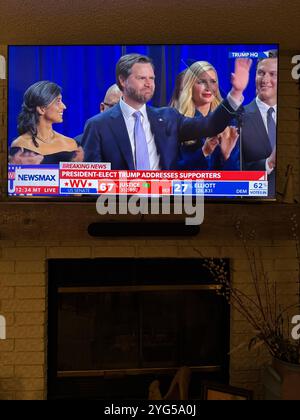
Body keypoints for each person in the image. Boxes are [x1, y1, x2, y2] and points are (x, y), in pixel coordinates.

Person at [81, 53, 251, 169]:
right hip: (118, 211)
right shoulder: (97, 125)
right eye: (141, 78)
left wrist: (235, 93)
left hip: (168, 211)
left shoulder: (169, 117)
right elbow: (92, 183)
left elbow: (210, 125)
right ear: (123, 80)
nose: (149, 83)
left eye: (152, 78)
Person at [173, 61, 240, 170]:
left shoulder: (229, 122)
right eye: (201, 82)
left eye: (213, 81)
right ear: (190, 86)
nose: (208, 87)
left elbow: (237, 178)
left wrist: (226, 156)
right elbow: (173, 172)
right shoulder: (175, 120)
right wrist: (204, 152)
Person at [9, 81, 83, 165]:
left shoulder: (72, 144)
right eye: (58, 101)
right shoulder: (20, 146)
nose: (64, 106)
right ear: (41, 109)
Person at [241, 50, 278, 196]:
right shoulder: (239, 117)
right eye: (261, 73)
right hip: (253, 204)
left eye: (273, 74)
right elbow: (231, 168)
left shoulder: (291, 118)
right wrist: (268, 163)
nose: (265, 80)